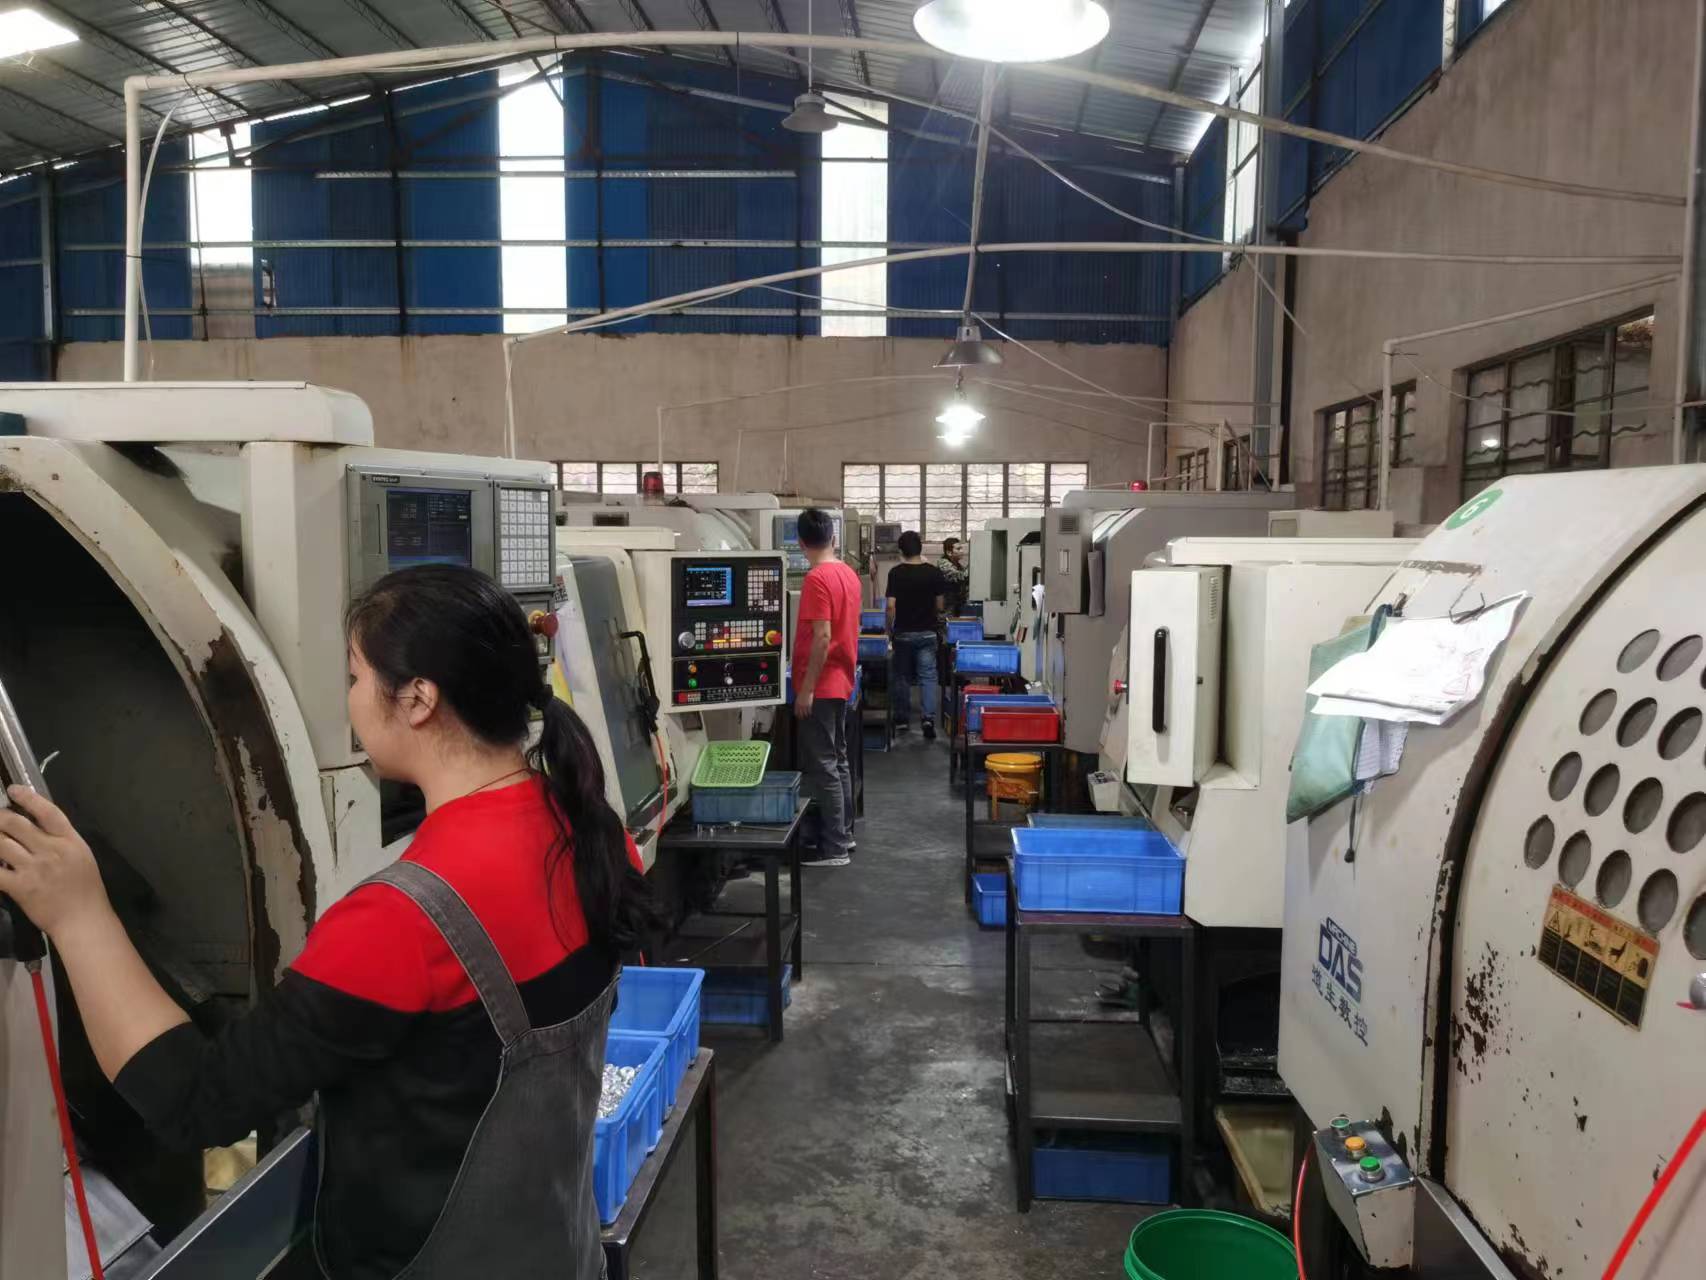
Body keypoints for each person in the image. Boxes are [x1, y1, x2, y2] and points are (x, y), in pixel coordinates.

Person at [0, 564, 654, 1280]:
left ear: (417, 699)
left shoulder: (401, 919)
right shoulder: (591, 830)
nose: (349, 701)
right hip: (559, 1253)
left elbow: (195, 1103)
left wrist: (78, 913)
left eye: (353, 677)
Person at [791, 507, 861, 868]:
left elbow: (822, 637)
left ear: (801, 542)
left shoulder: (816, 579)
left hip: (821, 684)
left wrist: (806, 689)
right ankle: (844, 834)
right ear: (833, 538)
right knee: (839, 760)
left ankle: (833, 848)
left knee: (824, 766)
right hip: (841, 680)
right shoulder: (848, 573)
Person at [885, 530, 946, 740]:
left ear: (901, 550)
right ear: (920, 548)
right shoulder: (934, 573)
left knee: (901, 675)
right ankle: (928, 718)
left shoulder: (895, 573)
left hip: (903, 633)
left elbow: (890, 607)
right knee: (927, 676)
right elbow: (940, 605)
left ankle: (902, 720)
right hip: (927, 633)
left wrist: (889, 630)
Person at [937, 536, 970, 617]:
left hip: (955, 607)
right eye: (958, 549)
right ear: (949, 552)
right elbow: (961, 577)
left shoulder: (958, 566)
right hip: (946, 610)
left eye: (961, 548)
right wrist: (974, 562)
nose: (962, 551)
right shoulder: (943, 564)